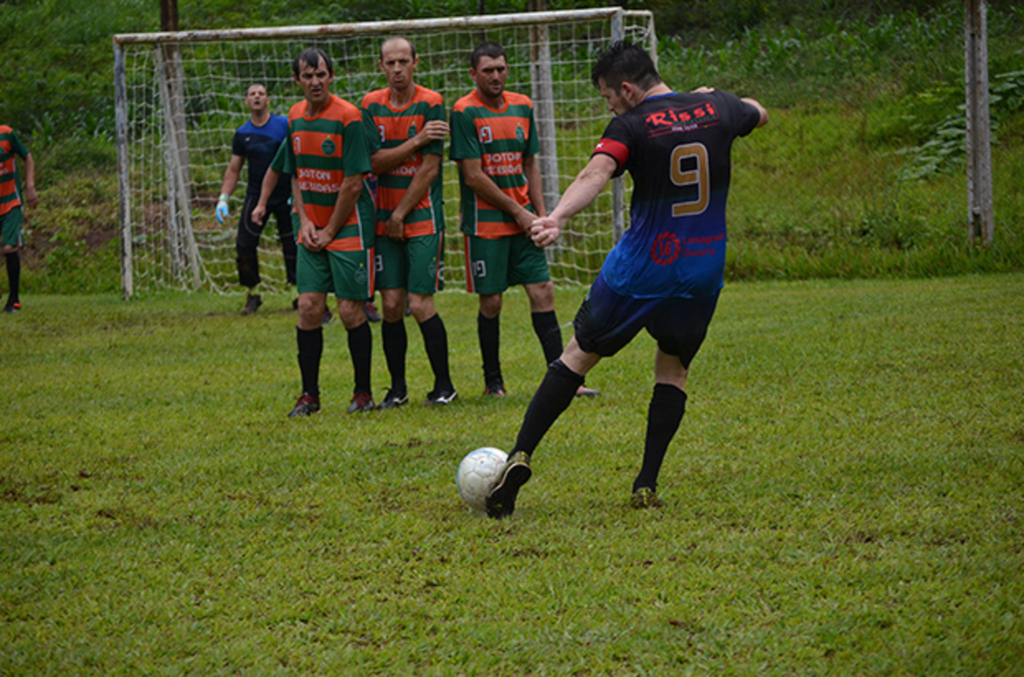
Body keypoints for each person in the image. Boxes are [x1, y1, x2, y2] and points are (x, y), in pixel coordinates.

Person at [485, 41, 769, 519]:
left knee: (575, 356)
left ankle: (520, 455)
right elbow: (759, 113)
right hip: (701, 271)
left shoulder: (632, 124)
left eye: (607, 97)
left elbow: (597, 173)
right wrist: (718, 96)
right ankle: (645, 483)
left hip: (642, 269)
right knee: (673, 370)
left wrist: (555, 217)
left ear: (627, 89)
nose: (609, 106)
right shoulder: (718, 108)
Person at [450, 41, 598, 399]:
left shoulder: (523, 106)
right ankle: (493, 382)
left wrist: (543, 214)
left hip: (525, 221)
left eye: (501, 68)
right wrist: (519, 211)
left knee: (543, 290)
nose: (496, 76)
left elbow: (529, 163)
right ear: (474, 74)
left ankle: (567, 381)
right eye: (488, 70)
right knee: (492, 302)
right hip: (486, 225)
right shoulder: (464, 112)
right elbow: (472, 175)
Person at [253, 47, 377, 417]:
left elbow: (354, 183)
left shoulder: (349, 117)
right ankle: (309, 395)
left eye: (321, 74)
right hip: (312, 230)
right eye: (307, 76)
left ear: (331, 76)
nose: (315, 81)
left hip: (350, 229)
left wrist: (329, 230)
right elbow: (296, 175)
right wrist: (306, 222)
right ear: (297, 81)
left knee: (351, 311)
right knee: (308, 308)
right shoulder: (293, 116)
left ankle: (363, 394)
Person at [361, 36, 457, 409]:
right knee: (390, 305)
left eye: (404, 61)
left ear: (416, 62)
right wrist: (417, 140)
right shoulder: (370, 105)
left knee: (419, 303)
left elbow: (430, 169)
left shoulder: (432, 102)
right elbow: (372, 162)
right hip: (383, 219)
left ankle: (444, 385)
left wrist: (401, 213)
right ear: (381, 67)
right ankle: (397, 389)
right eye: (391, 62)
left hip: (421, 218)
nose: (398, 68)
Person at [215, 83, 298, 315]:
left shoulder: (284, 125)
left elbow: (297, 155)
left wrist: (298, 190)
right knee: (244, 244)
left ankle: (298, 293)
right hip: (255, 195)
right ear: (247, 102)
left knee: (292, 244)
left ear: (268, 100)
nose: (257, 97)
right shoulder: (242, 134)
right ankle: (253, 293)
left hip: (286, 195)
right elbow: (234, 169)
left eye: (262, 93)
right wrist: (224, 198)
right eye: (253, 94)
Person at [0, 124, 37, 314]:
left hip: (11, 201)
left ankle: (14, 299)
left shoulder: (6, 134)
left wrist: (30, 186)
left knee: (9, 247)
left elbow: (27, 157)